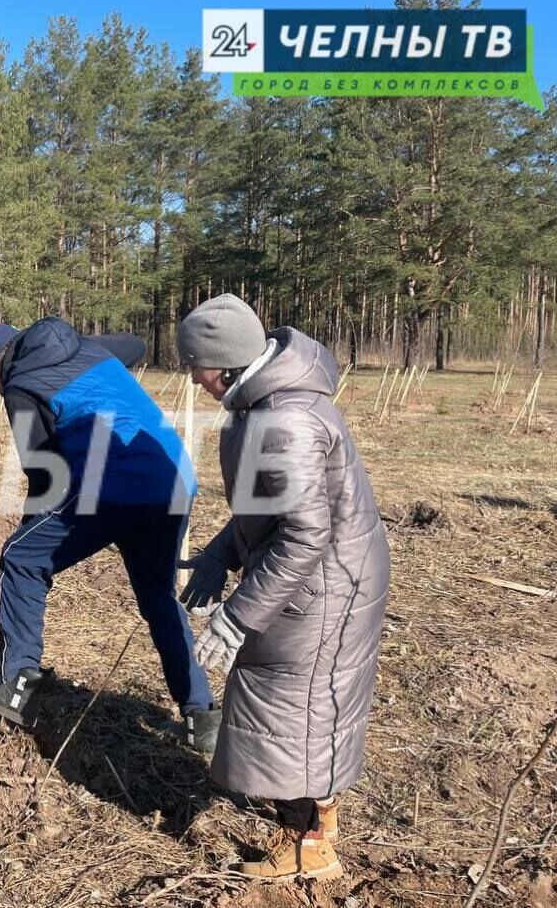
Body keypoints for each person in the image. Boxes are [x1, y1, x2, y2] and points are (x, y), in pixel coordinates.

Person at [178, 294, 390, 881]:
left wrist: (239, 617)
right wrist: (220, 556)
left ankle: (310, 847)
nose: (194, 380)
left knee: (293, 704)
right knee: (297, 701)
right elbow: (264, 508)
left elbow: (303, 535)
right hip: (314, 579)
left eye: (194, 366)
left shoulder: (284, 419)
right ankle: (317, 819)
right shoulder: (266, 404)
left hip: (326, 584)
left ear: (219, 362)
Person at [0, 317, 219, 752]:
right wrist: (94, 350)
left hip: (113, 480)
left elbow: (44, 473)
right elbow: (135, 341)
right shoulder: (89, 349)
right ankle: (202, 714)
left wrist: (30, 531)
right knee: (158, 597)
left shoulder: (21, 382)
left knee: (20, 558)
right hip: (171, 474)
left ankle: (16, 684)